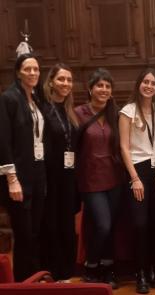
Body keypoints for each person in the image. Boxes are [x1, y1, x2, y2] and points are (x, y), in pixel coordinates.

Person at [75, 68, 123, 289]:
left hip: (114, 179)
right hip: (90, 179)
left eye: (107, 86)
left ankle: (107, 267)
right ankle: (91, 264)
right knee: (102, 225)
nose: (103, 90)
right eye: (99, 85)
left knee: (110, 225)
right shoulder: (77, 113)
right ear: (90, 88)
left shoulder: (115, 114)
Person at [0, 53, 46, 282]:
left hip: (37, 174)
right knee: (24, 234)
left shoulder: (35, 99)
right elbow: (3, 141)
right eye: (28, 69)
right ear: (18, 71)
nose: (33, 73)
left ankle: (33, 280)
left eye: (36, 69)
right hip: (19, 178)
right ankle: (21, 283)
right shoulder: (8, 98)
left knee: (35, 233)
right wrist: (11, 179)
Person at [119, 68, 155, 293]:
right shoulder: (128, 111)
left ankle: (154, 268)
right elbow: (123, 147)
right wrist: (135, 178)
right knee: (140, 224)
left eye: (153, 83)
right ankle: (140, 272)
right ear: (139, 84)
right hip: (137, 171)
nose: (149, 86)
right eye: (145, 82)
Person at [40, 63, 78, 282]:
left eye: (69, 80)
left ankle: (66, 274)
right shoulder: (44, 110)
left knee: (66, 226)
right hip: (50, 179)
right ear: (51, 81)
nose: (65, 84)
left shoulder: (69, 110)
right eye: (61, 79)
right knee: (51, 227)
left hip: (68, 179)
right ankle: (50, 273)